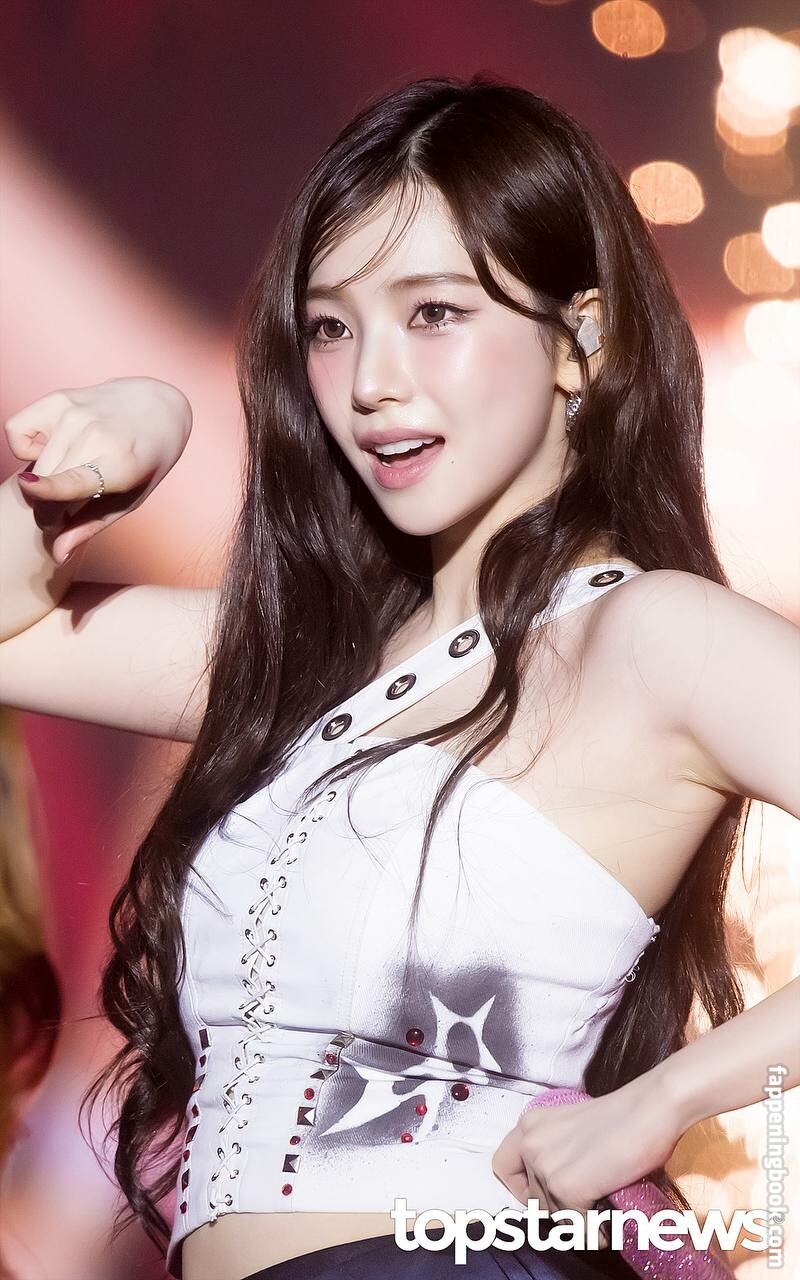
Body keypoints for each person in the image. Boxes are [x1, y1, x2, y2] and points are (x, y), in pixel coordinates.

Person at [0, 75, 797, 1280]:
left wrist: (658, 1103)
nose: (370, 378)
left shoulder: (645, 633)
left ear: (580, 340)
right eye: (329, 326)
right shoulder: (300, 662)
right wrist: (129, 433)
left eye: (432, 312)